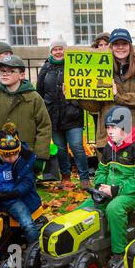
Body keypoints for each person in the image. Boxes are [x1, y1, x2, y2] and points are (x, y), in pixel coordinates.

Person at [78, 106, 135, 268]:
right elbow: (102, 170)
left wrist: (115, 190)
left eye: (114, 127)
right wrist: (99, 186)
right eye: (108, 127)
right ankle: (83, 246)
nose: (110, 131)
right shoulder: (110, 146)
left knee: (114, 208)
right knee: (84, 209)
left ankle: (119, 253)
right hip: (110, 189)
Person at [78, 28, 135, 155]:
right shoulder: (100, 70)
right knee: (110, 173)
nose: (120, 48)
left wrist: (118, 96)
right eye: (116, 44)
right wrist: (78, 96)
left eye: (124, 44)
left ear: (130, 46)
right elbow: (95, 106)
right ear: (111, 47)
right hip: (108, 136)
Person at [0, 55, 52, 174]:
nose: (5, 74)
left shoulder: (34, 98)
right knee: (2, 188)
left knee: (25, 188)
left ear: (22, 75)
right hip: (1, 153)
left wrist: (39, 155)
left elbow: (44, 126)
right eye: (2, 71)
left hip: (26, 153)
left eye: (11, 71)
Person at [0, 123, 42, 243]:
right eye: (7, 156)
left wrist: (15, 193)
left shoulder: (24, 159)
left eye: (15, 154)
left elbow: (28, 181)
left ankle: (36, 250)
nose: (12, 158)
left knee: (27, 224)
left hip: (13, 198)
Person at [37, 36, 90, 190]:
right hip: (53, 116)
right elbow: (39, 91)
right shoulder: (45, 68)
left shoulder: (74, 66)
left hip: (72, 114)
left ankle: (84, 178)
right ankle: (65, 177)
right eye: (55, 49)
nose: (58, 52)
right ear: (51, 51)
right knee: (60, 149)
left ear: (66, 50)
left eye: (61, 48)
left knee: (77, 146)